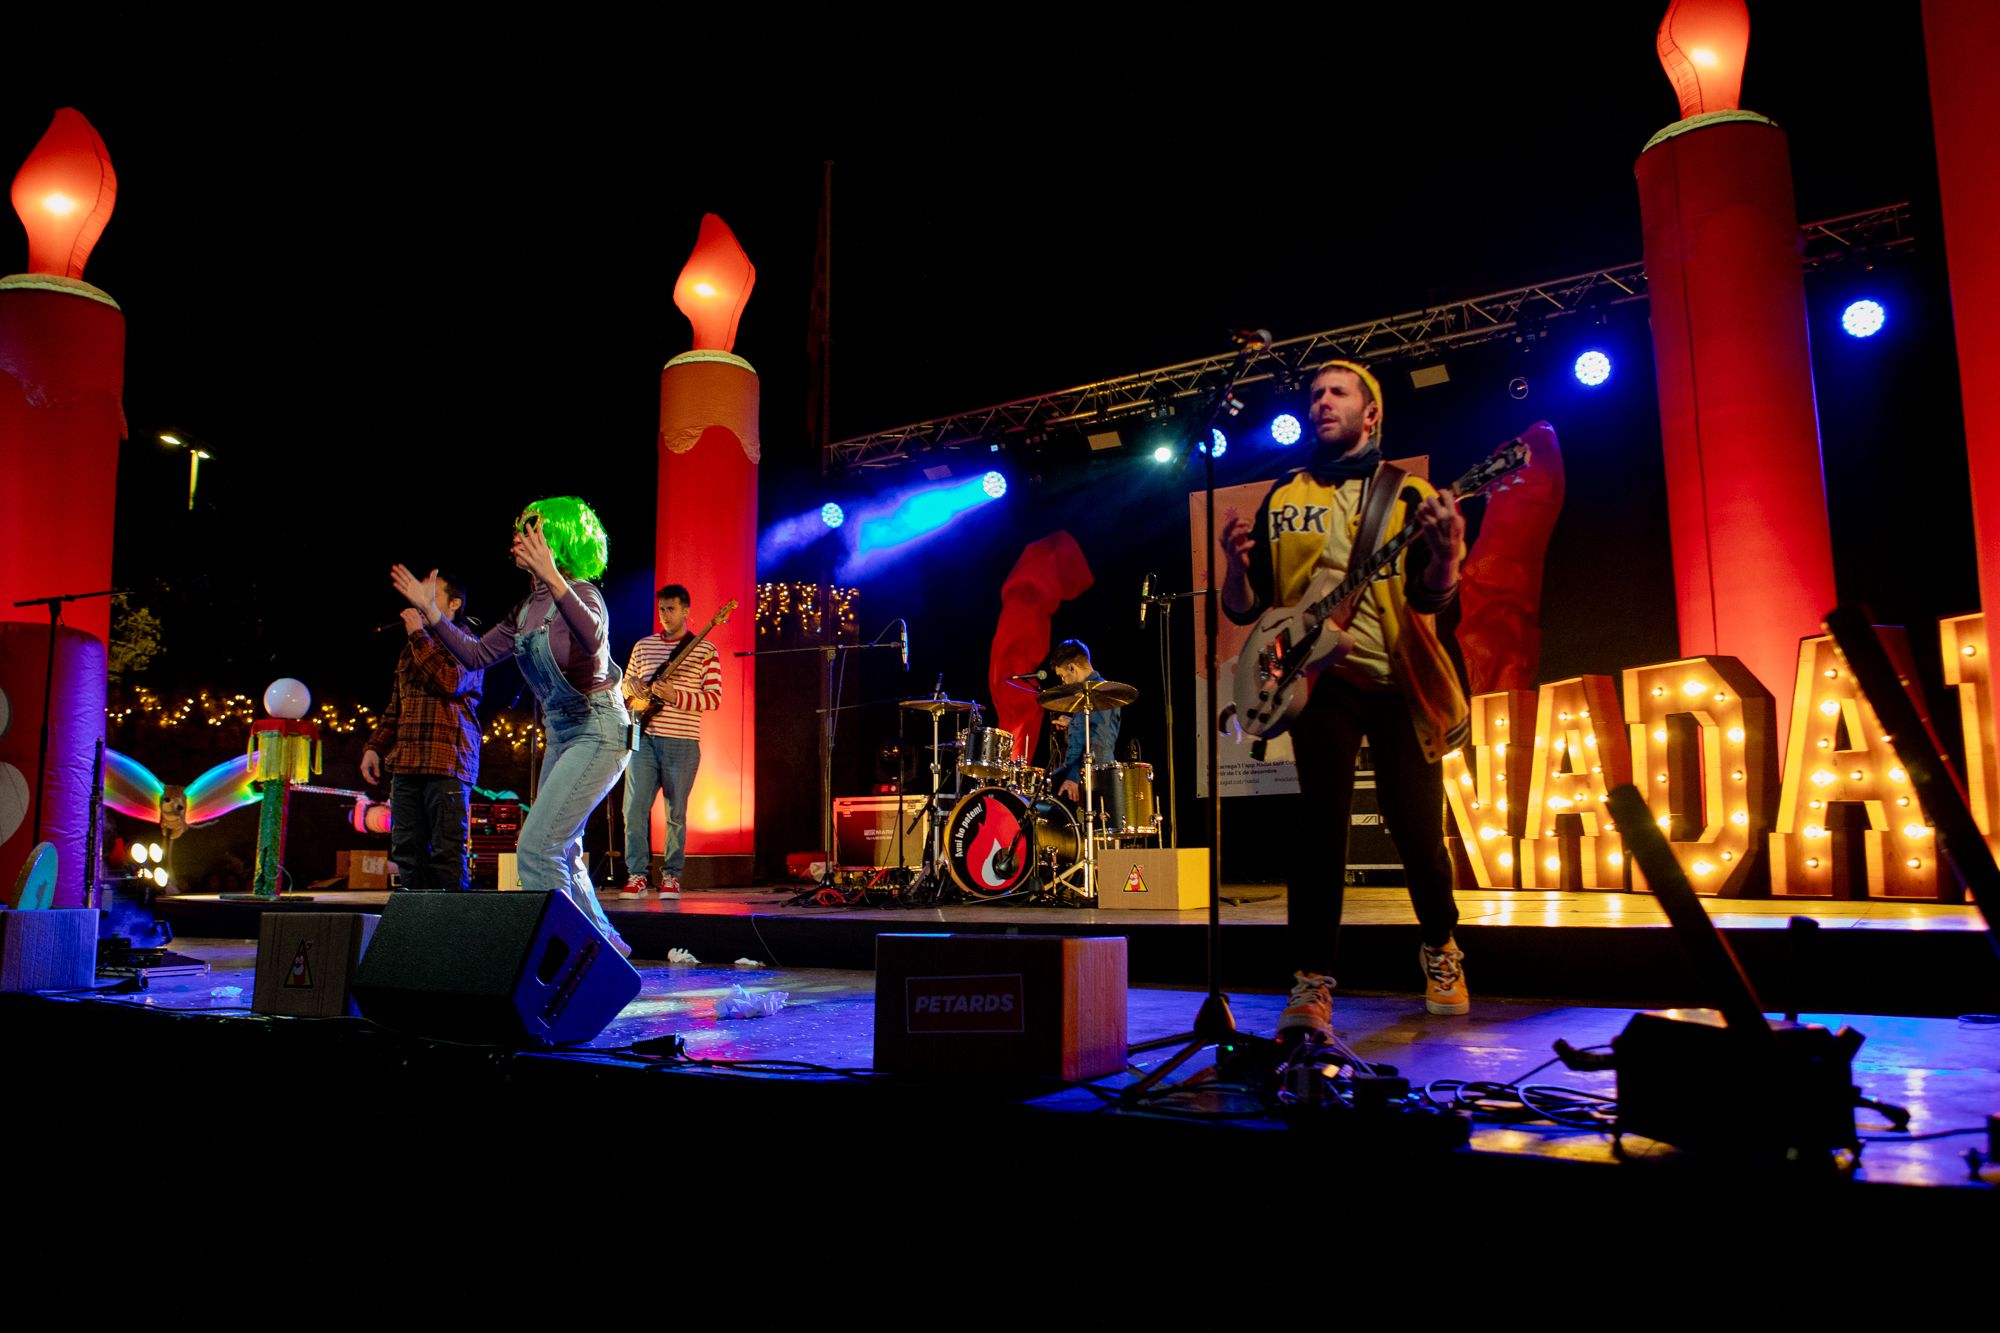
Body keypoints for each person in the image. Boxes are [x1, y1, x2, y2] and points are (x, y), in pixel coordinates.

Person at [1220, 359, 1471, 1035]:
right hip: (1319, 682)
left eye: (1337, 392)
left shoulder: (1412, 492)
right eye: (1314, 394)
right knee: (1318, 830)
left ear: (1372, 411)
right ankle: (1311, 978)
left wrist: (1446, 559)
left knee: (1418, 828)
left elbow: (1429, 599)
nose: (1321, 402)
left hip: (1396, 678)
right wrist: (1235, 570)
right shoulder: (1284, 495)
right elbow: (1250, 610)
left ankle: (1442, 946)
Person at [390, 496, 635, 958]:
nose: (519, 538)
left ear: (558, 539)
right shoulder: (524, 611)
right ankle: (607, 948)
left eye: (531, 528)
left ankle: (570, 960)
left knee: (538, 848)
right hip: (564, 734)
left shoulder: (582, 594)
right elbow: (476, 655)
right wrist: (435, 615)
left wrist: (555, 579)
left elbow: (595, 642)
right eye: (521, 529)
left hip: (600, 729)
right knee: (559, 849)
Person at [361, 573, 483, 892]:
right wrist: (374, 747)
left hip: (447, 762)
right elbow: (395, 706)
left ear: (454, 604)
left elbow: (448, 680)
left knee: (446, 853)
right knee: (407, 852)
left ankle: (452, 931)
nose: (420, 600)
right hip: (406, 764)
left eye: (431, 595)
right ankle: (417, 928)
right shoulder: (411, 649)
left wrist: (417, 634)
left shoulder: (469, 645)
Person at [618, 583, 721, 898]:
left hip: (682, 741)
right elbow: (623, 688)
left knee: (676, 812)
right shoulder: (643, 646)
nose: (665, 615)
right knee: (633, 809)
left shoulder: (705, 649)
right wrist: (631, 688)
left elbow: (713, 698)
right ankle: (637, 875)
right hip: (644, 737)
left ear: (686, 610)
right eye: (661, 609)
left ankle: (671, 876)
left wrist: (676, 695)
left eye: (671, 609)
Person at [1045, 639, 1120, 806]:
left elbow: (1098, 743)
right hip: (1079, 772)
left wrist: (1073, 778)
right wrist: (1072, 723)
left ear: (1072, 668)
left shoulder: (1101, 694)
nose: (1063, 682)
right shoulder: (1086, 695)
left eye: (1063, 676)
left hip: (1093, 779)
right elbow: (1091, 726)